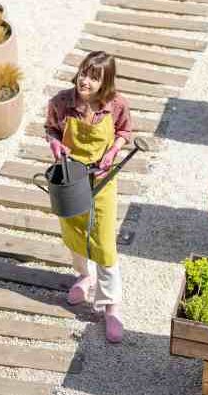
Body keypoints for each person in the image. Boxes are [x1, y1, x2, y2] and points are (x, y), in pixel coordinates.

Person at [44, 51, 132, 343]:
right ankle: (84, 276)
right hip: (70, 178)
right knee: (74, 233)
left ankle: (112, 307)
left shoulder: (116, 105)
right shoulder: (61, 102)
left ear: (105, 82)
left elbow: (124, 131)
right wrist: (55, 146)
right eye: (84, 72)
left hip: (102, 181)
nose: (85, 80)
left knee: (105, 244)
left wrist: (113, 151)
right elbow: (52, 130)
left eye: (94, 77)